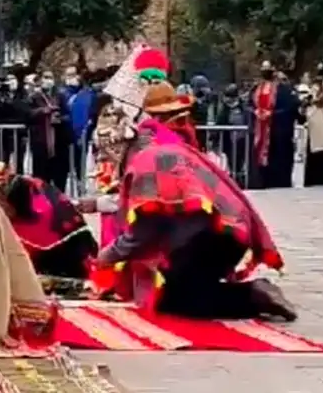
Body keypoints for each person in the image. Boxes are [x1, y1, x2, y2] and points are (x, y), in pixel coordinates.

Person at [93, 113, 295, 321]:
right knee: (189, 286)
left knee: (173, 300)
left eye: (105, 157)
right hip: (228, 228)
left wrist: (106, 257)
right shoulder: (167, 150)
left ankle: (253, 295)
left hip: (208, 235)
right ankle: (250, 294)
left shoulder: (144, 163)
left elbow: (144, 232)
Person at [0, 174, 102, 278]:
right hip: (53, 251)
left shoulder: (42, 217)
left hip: (67, 258)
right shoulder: (25, 188)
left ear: (15, 204)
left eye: (2, 207)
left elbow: (21, 259)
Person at [27, 71, 59, 186]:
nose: (48, 80)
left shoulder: (55, 95)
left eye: (50, 77)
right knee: (40, 171)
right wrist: (43, 111)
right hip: (39, 138)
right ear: (40, 80)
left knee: (51, 171)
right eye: (45, 77)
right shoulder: (34, 97)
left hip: (54, 138)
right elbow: (28, 113)